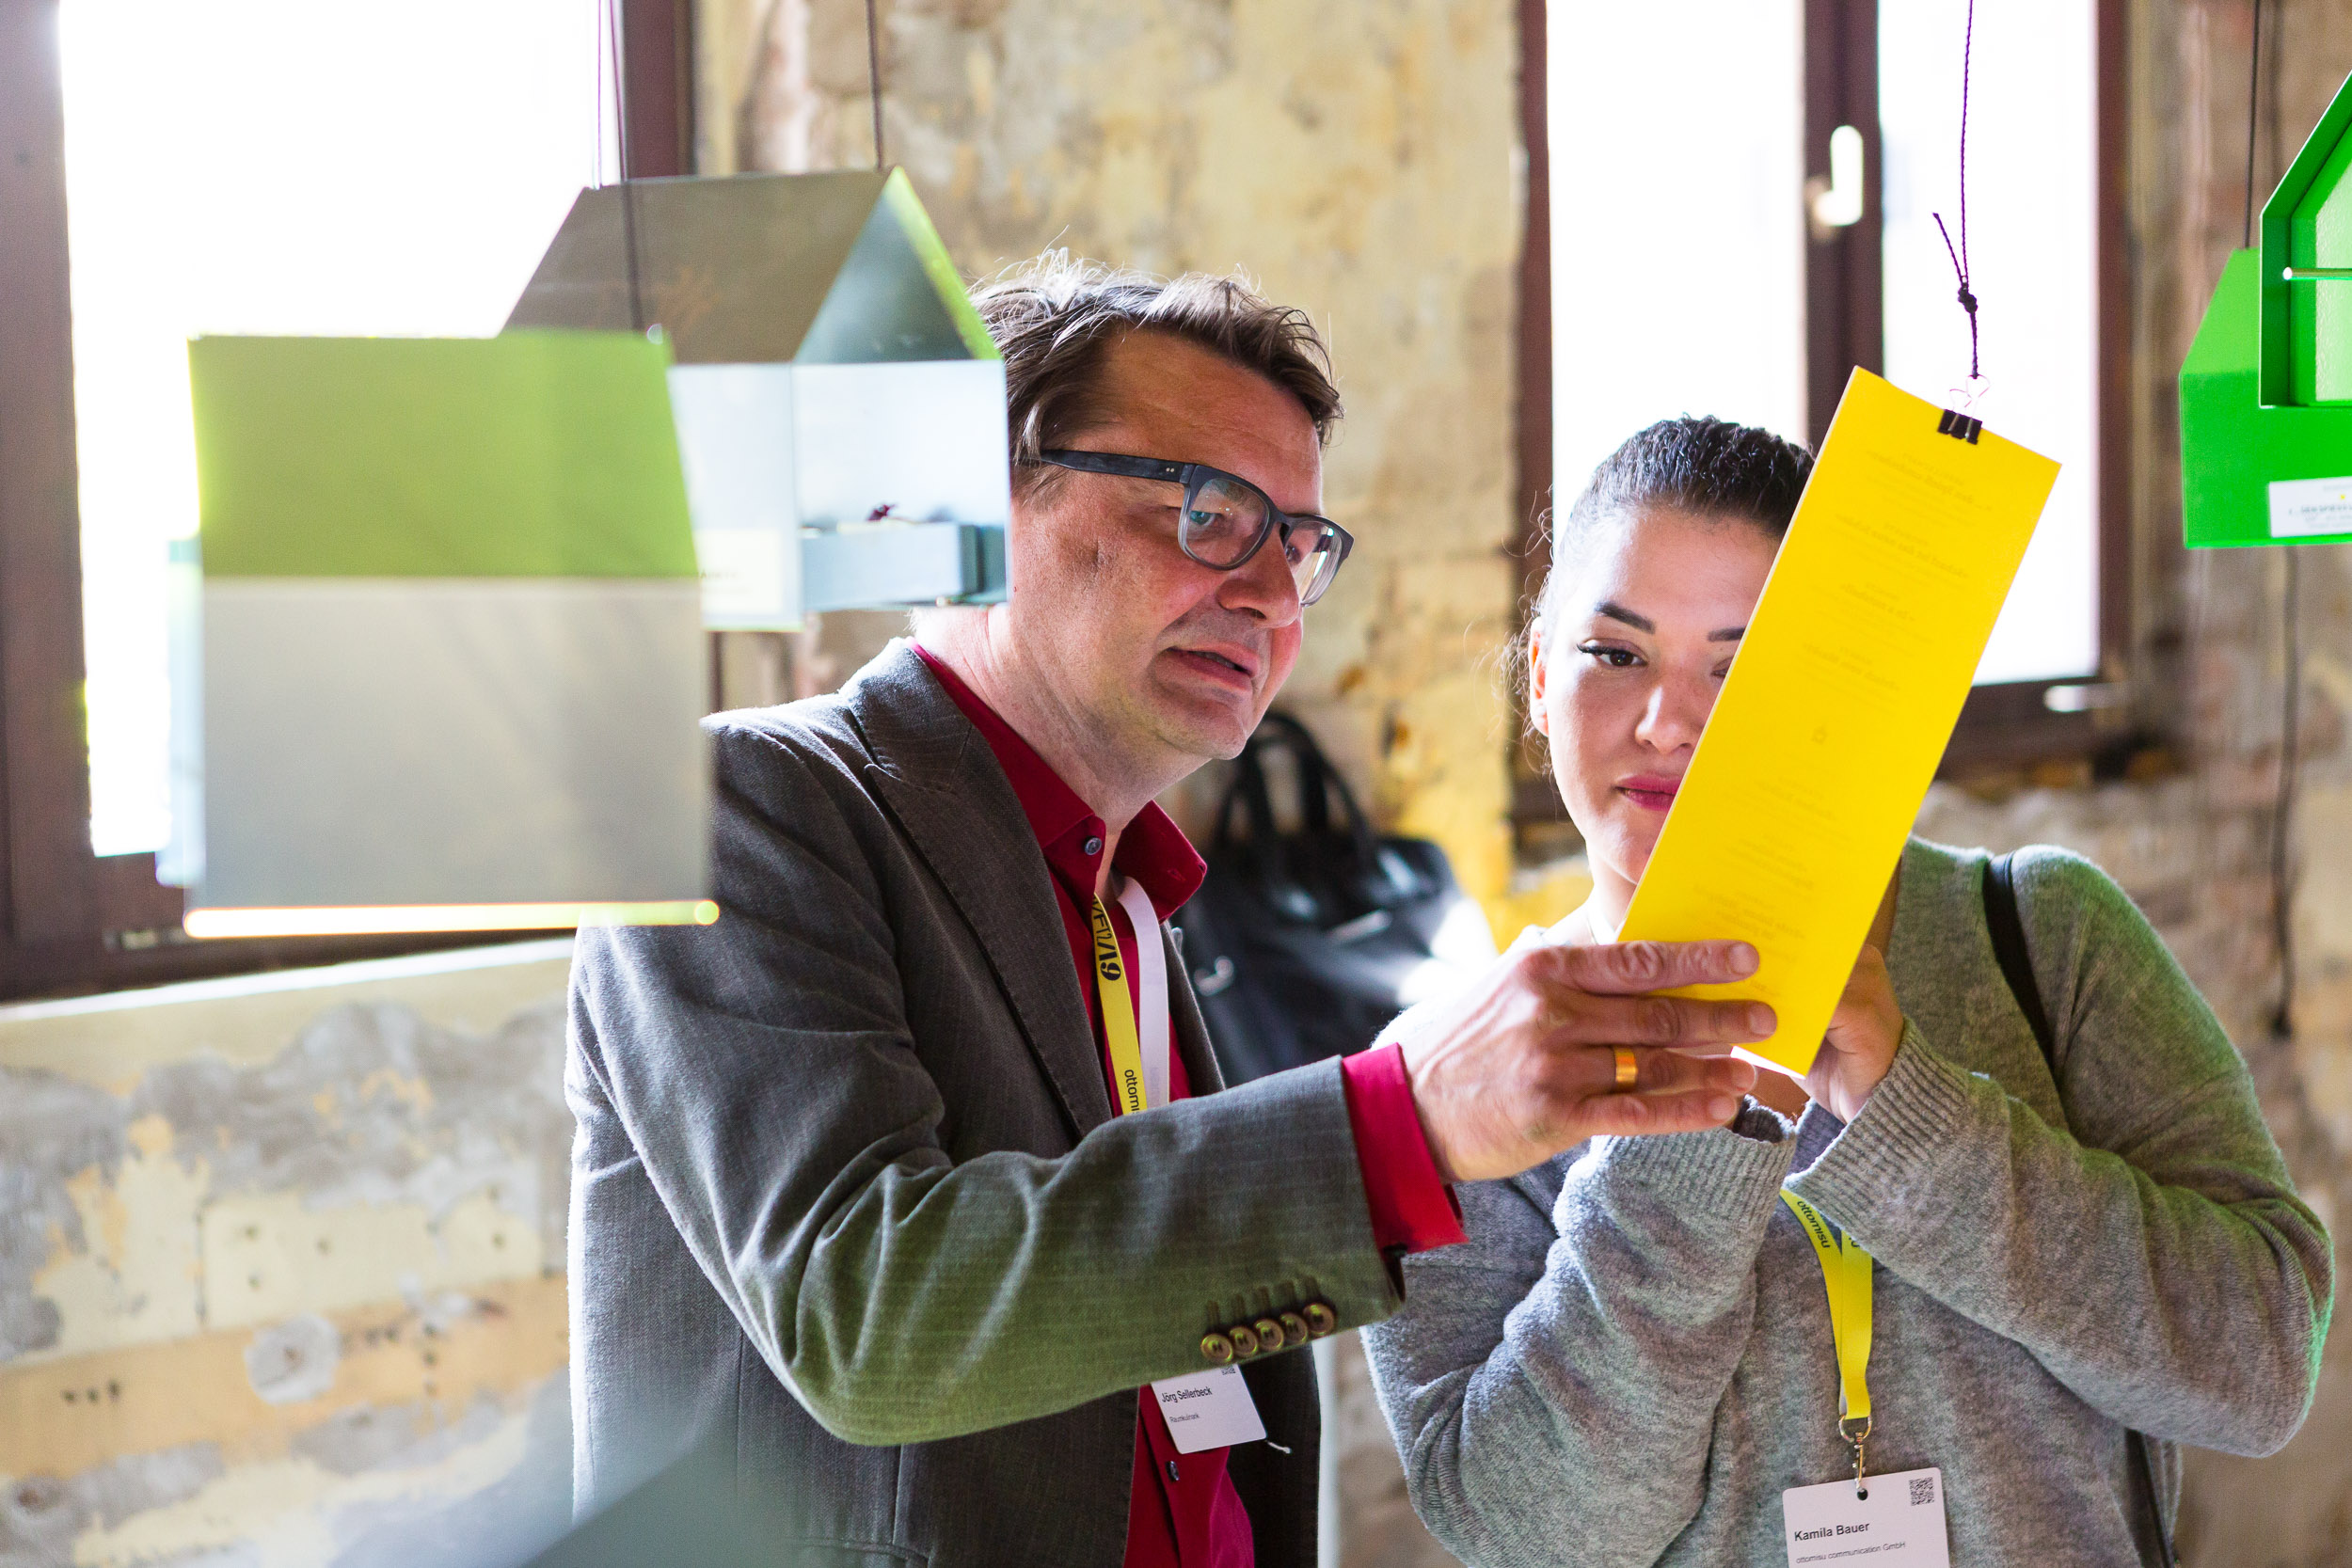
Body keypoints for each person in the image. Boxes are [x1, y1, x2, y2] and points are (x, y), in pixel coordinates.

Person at [562, 260, 1777, 1568]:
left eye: (1298, 543)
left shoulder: (1131, 897)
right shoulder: (735, 802)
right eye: (1206, 511)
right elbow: (872, 1314)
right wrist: (1403, 1114)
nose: (1265, 590)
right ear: (977, 504)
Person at [1361, 415, 2336, 1568]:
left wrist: (1905, 1110)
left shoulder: (2041, 935)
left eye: (1742, 667)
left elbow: (2260, 1366)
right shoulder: (1458, 1072)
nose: (1667, 720)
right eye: (1614, 653)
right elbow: (1529, 1530)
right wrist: (1704, 1128)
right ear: (1536, 674)